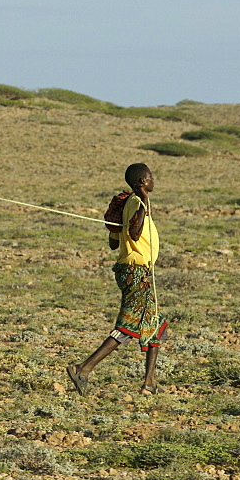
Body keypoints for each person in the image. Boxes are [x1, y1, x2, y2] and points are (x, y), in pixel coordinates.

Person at [67, 163, 167, 396]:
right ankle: (83, 368)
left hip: (134, 271)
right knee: (128, 326)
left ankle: (149, 382)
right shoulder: (137, 202)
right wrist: (143, 206)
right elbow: (134, 233)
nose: (154, 181)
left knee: (154, 323)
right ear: (143, 182)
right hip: (137, 273)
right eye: (151, 178)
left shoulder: (124, 204)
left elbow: (114, 243)